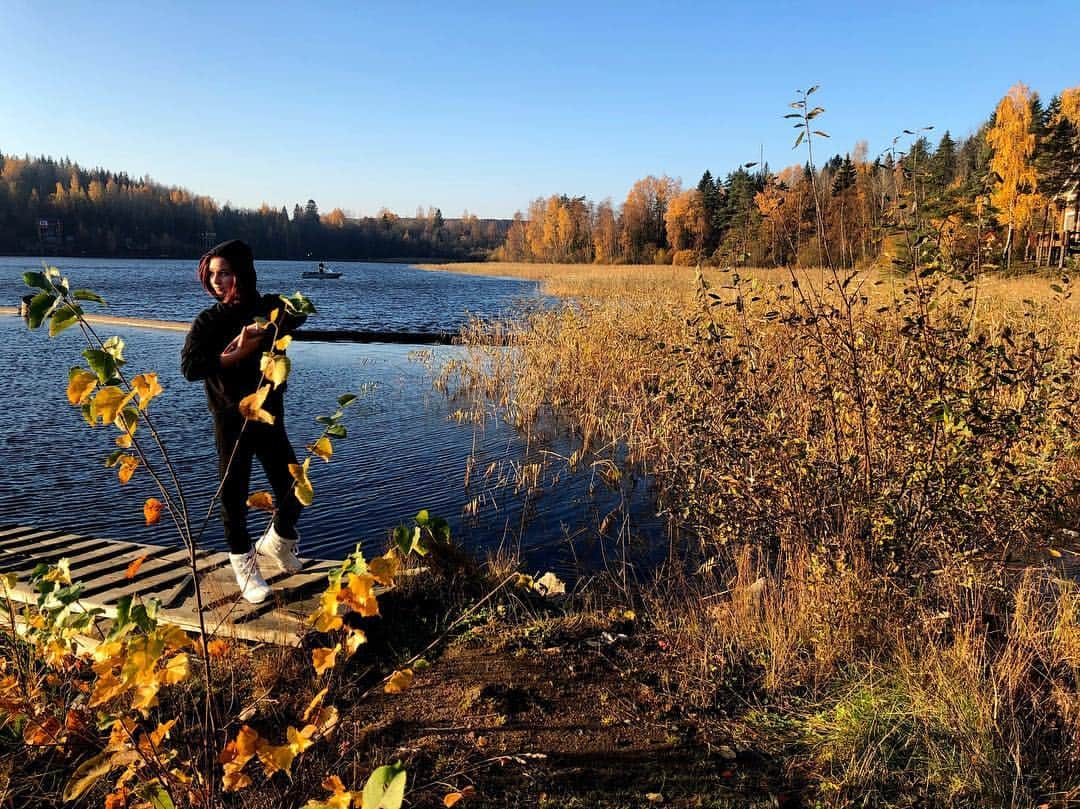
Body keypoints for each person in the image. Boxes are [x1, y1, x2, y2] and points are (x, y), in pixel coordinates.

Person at [181, 239, 307, 603]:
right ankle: (245, 569)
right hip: (230, 418)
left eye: (225, 273)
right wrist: (234, 356)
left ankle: (278, 543)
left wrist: (268, 329)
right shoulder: (208, 321)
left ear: (243, 274)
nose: (217, 281)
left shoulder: (267, 307)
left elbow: (299, 313)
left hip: (268, 412)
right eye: (213, 274)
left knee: (294, 488)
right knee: (234, 495)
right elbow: (190, 368)